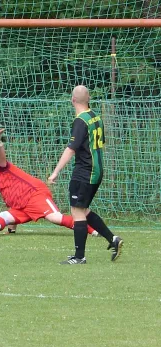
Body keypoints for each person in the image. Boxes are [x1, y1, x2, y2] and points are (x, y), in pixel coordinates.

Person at [48, 85, 123, 264]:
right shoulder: (96, 117)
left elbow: (71, 149)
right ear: (88, 98)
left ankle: (79, 257)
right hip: (97, 170)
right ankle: (113, 239)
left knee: (76, 211)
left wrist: (55, 172)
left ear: (72, 100)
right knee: (83, 209)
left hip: (84, 172)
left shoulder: (80, 121)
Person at [0, 129, 98, 238]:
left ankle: (94, 230)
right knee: (0, 216)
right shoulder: (1, 184)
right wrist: (11, 230)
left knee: (55, 218)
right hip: (23, 206)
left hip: (35, 194)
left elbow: (0, 156)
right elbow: (12, 206)